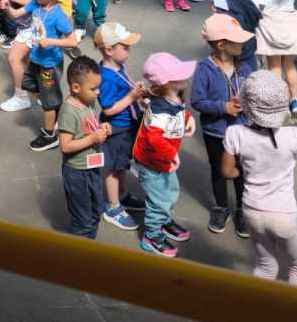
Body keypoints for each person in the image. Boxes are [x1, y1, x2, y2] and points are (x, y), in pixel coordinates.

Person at [222, 72, 297, 286]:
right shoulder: (292, 134)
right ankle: (293, 308)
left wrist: (244, 172)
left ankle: (256, 305)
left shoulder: (234, 133)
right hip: (284, 214)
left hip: (252, 211)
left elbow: (227, 172)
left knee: (265, 266)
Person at [191, 15, 254, 236]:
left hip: (242, 130)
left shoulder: (245, 68)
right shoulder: (204, 69)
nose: (243, 43)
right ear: (221, 45)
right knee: (219, 171)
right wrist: (223, 107)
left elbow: (252, 94)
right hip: (215, 132)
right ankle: (221, 207)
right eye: (238, 40)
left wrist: (247, 103)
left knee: (242, 171)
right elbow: (197, 101)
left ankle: (242, 209)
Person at [133, 52, 197, 257]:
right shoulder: (160, 109)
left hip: (163, 159)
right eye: (179, 74)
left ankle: (164, 220)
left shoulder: (173, 96)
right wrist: (171, 153)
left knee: (169, 192)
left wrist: (187, 118)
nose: (185, 76)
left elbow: (178, 111)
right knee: (158, 199)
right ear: (167, 82)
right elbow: (154, 138)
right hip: (153, 161)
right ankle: (151, 236)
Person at [19, 0, 78, 153]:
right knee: (27, 84)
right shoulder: (38, 6)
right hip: (36, 58)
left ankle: (49, 135)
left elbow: (72, 41)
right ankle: (55, 106)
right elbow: (19, 13)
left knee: (48, 103)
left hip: (49, 64)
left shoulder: (58, 15)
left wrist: (51, 41)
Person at [95, 20, 145, 232]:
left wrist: (137, 94)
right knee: (114, 169)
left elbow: (124, 91)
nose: (129, 51)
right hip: (116, 129)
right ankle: (113, 207)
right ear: (109, 50)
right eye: (125, 47)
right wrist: (132, 96)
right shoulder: (106, 77)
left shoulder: (118, 67)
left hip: (127, 126)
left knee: (122, 164)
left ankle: (122, 195)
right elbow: (108, 109)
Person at [58, 56, 111, 239]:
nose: (98, 92)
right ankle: (81, 248)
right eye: (93, 88)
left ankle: (90, 239)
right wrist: (92, 139)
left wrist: (102, 128)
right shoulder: (69, 111)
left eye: (98, 87)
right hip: (76, 172)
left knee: (96, 209)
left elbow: (89, 126)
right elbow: (65, 146)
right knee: (83, 219)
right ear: (76, 87)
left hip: (92, 166)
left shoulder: (88, 102)